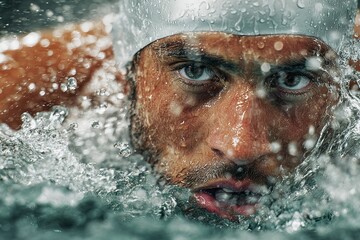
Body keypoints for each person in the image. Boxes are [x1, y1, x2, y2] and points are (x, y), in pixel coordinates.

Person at [0, 0, 358, 221]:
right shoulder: (17, 91)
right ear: (127, 71)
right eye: (195, 72)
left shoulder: (350, 70)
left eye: (294, 79)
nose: (241, 147)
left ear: (344, 84)